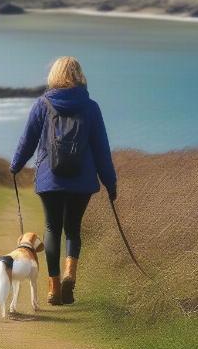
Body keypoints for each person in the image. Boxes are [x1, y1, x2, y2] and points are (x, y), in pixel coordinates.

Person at [9, 56, 117, 305]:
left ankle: (53, 288)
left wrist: (16, 165)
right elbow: (102, 150)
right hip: (82, 181)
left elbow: (28, 140)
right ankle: (70, 273)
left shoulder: (42, 104)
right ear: (80, 75)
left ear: (54, 75)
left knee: (51, 229)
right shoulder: (91, 107)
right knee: (73, 229)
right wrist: (110, 184)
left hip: (50, 179)